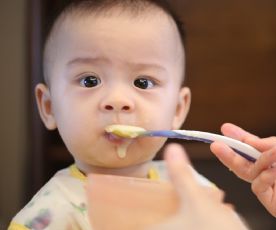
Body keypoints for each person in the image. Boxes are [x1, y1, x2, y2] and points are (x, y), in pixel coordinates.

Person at [8, 1, 217, 229]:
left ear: (178, 109)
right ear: (49, 107)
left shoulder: (192, 190)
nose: (117, 100)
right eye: (90, 81)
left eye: (143, 82)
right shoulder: (47, 218)